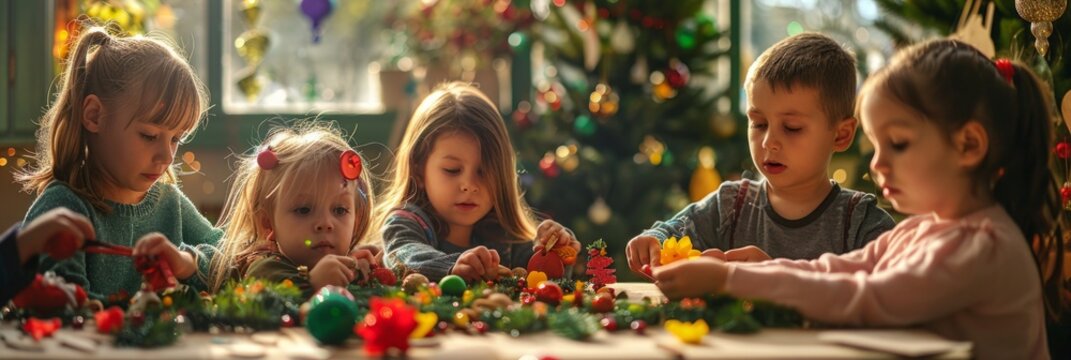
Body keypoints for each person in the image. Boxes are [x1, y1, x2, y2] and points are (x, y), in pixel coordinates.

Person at [653, 39, 1063, 359]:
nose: (878, 164)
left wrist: (730, 280)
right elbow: (835, 271)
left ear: (968, 145)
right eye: (877, 145)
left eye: (898, 144)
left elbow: (867, 299)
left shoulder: (983, 247)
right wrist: (765, 270)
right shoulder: (921, 230)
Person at [627, 33, 895, 274]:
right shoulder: (730, 206)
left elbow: (895, 294)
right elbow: (670, 233)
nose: (769, 142)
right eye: (759, 123)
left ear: (841, 135)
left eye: (791, 128)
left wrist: (774, 276)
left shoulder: (860, 223)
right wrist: (653, 241)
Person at [17, 25, 220, 300]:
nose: (168, 156)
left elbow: (229, 256)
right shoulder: (64, 209)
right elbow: (70, 308)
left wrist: (186, 262)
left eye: (176, 139)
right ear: (94, 116)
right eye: (149, 136)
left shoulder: (168, 200)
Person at [378, 82, 580, 282]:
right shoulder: (404, 223)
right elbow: (404, 255)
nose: (469, 185)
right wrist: (453, 267)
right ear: (418, 170)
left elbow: (544, 282)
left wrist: (555, 251)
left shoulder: (505, 236)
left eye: (483, 172)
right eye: (452, 170)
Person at [210, 123, 380, 298]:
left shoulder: (353, 259)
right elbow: (269, 302)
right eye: (304, 210)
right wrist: (312, 283)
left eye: (340, 210)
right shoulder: (263, 269)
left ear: (356, 220)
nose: (325, 223)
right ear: (269, 224)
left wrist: (361, 268)